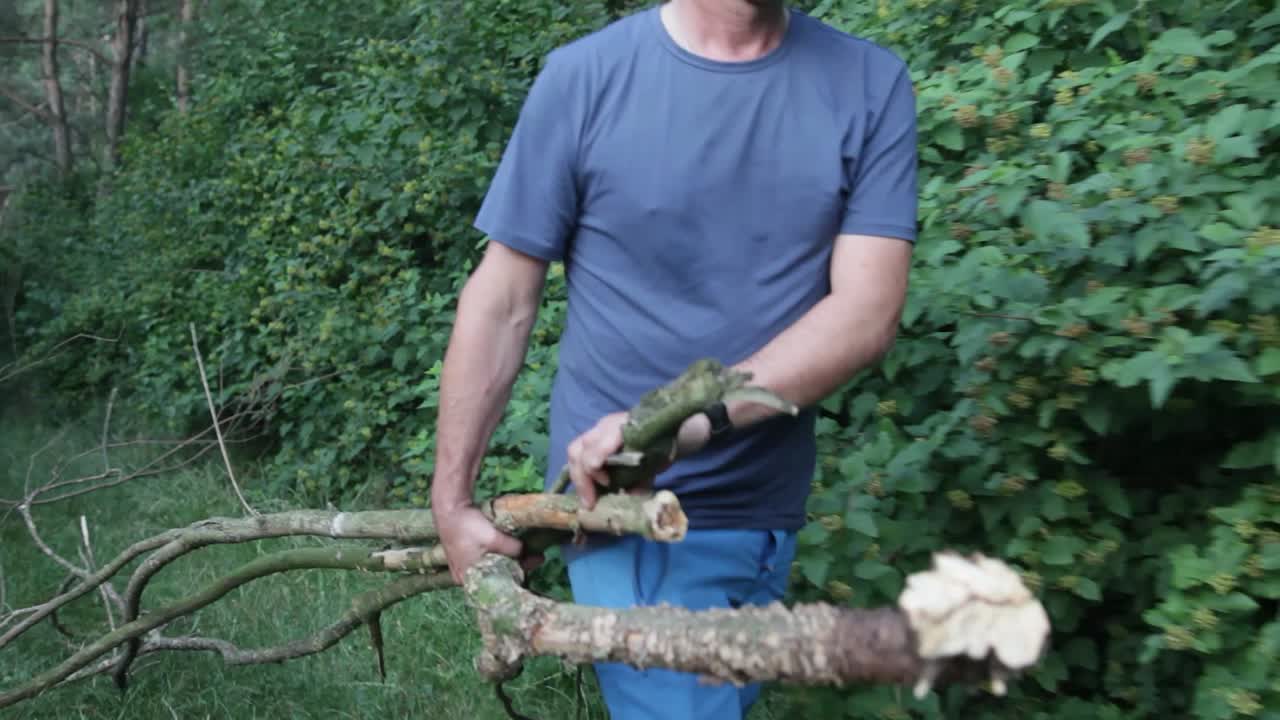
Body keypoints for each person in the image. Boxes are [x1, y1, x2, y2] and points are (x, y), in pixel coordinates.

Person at [429, 0, 917, 717]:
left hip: (769, 511)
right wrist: (451, 501)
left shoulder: (869, 83)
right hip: (621, 510)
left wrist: (679, 423)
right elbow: (503, 299)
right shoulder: (586, 78)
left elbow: (866, 315)